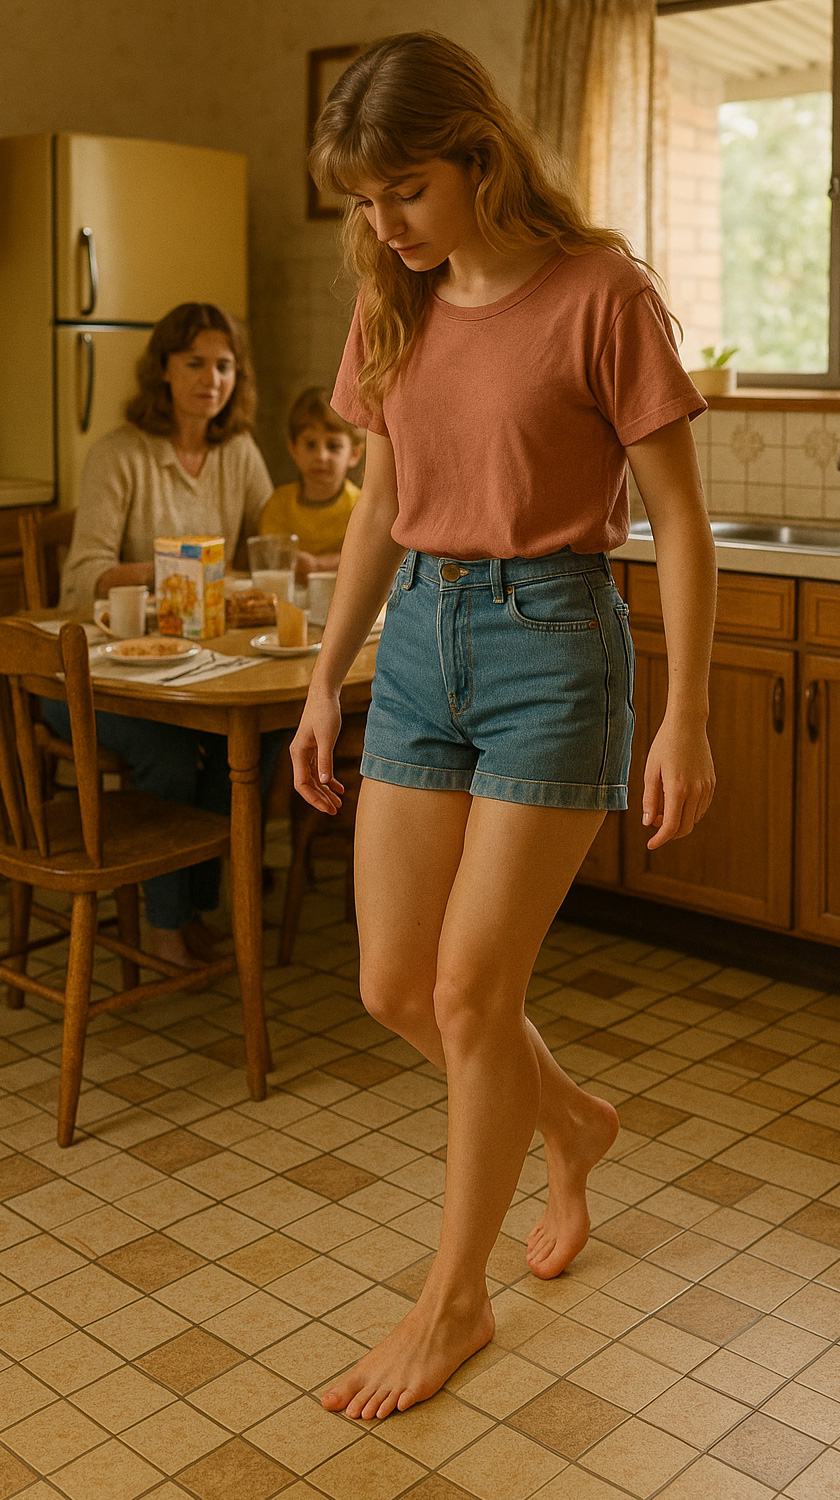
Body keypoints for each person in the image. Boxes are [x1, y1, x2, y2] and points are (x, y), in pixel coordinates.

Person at [290, 32, 717, 1421]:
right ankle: (574, 1122)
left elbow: (680, 522)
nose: (381, 223)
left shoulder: (603, 295)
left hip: (554, 645)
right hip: (419, 639)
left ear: (477, 155)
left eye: (401, 190)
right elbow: (377, 502)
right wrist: (323, 676)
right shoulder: (390, 299)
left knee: (473, 991)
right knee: (395, 987)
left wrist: (688, 715)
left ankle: (454, 1300)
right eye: (363, 199)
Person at [51, 302, 280, 968]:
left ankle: (197, 900)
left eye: (224, 366)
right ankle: (166, 922)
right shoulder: (119, 454)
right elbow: (85, 573)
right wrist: (173, 569)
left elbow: (263, 547)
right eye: (195, 364)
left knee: (266, 727)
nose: (212, 379)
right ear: (163, 370)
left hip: (192, 668)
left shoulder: (237, 452)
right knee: (175, 753)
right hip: (90, 679)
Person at [259, 388, 364, 582]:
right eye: (310, 444)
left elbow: (370, 557)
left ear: (354, 454)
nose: (321, 456)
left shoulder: (361, 506)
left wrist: (319, 565)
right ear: (293, 448)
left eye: (333, 446)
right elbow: (269, 555)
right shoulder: (279, 504)